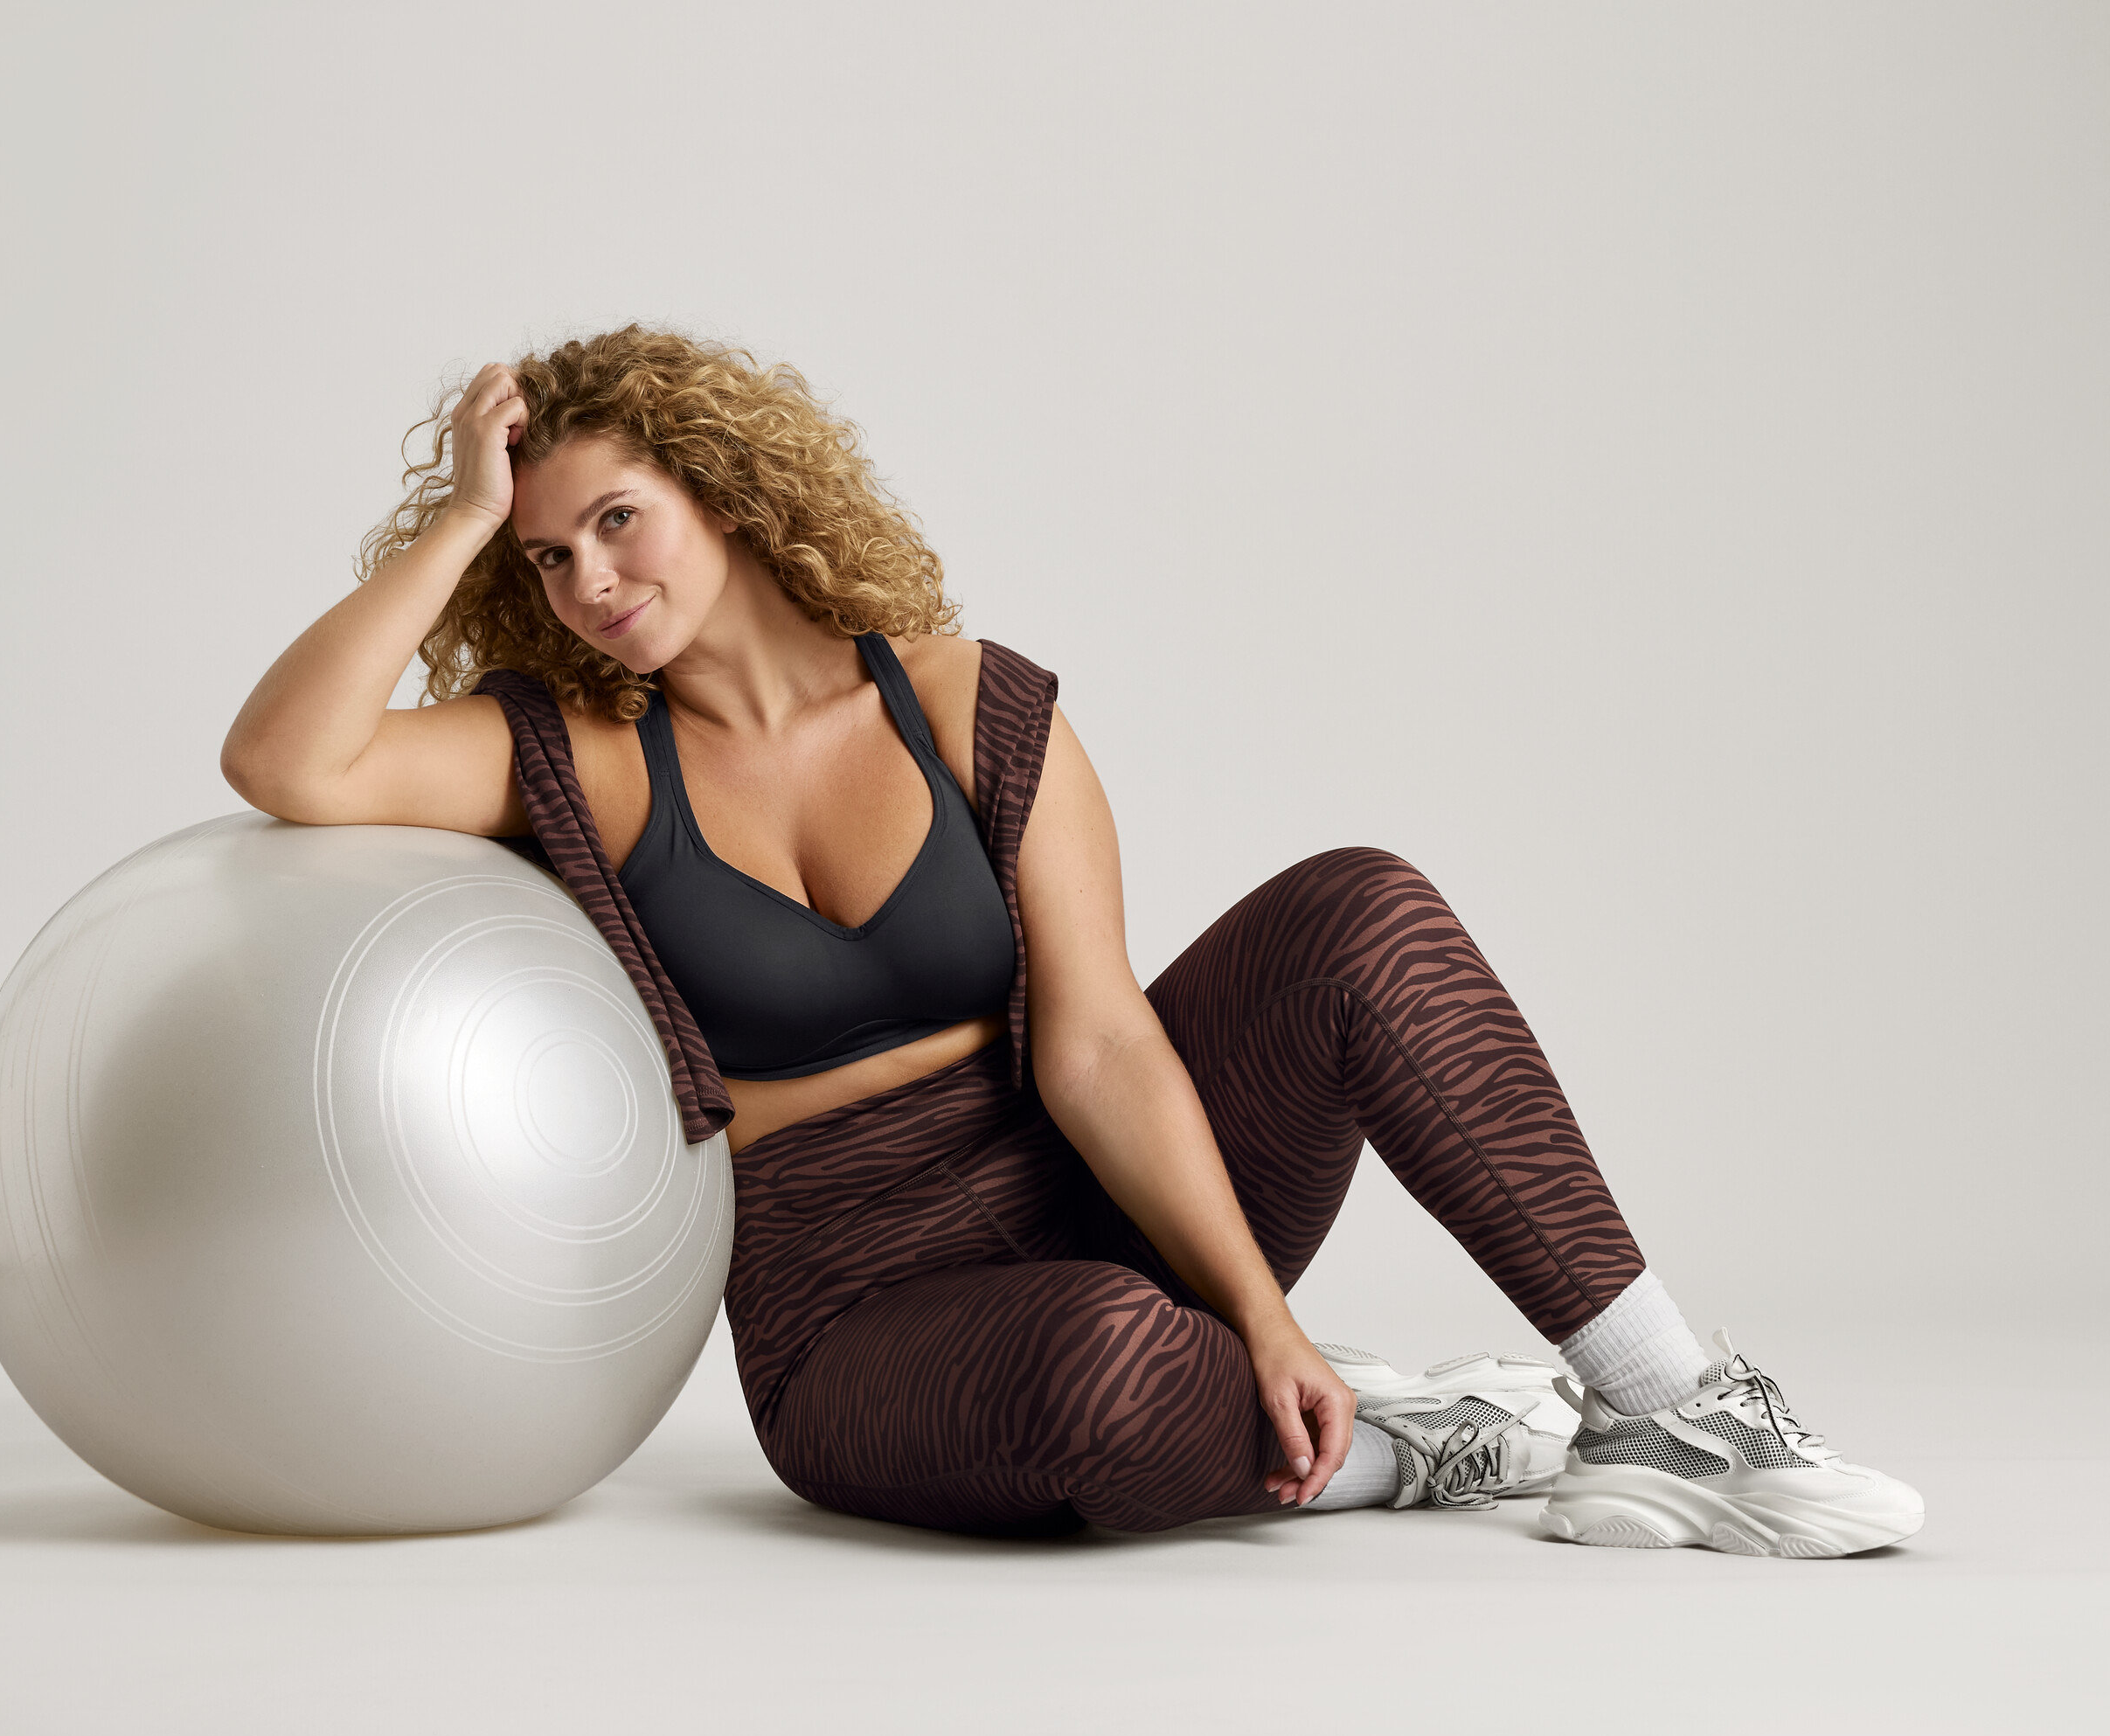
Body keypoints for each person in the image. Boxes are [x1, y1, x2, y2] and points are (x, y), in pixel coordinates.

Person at [220, 327, 1921, 1555]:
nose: (588, 576)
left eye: (617, 518)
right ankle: (1401, 1448)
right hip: (865, 1312)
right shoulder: (570, 753)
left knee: (1362, 907)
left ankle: (1669, 1404)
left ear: (722, 491)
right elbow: (291, 763)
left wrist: (1258, 1309)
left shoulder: (965, 701)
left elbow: (1101, 1040)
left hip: (1095, 1187)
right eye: (546, 551)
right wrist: (457, 523)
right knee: (1103, 1365)